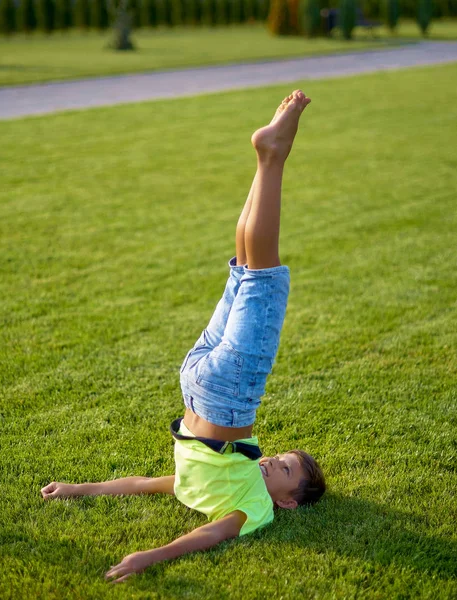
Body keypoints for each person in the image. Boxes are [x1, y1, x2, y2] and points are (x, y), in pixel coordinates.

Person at [40, 89, 326, 583]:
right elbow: (148, 483)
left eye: (282, 469)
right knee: (244, 271)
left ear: (288, 503)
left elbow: (204, 532)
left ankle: (272, 157)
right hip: (199, 378)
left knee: (264, 279)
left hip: (220, 389)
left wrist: (146, 553)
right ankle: (266, 159)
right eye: (279, 458)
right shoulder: (215, 481)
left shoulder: (254, 509)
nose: (271, 462)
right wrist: (79, 489)